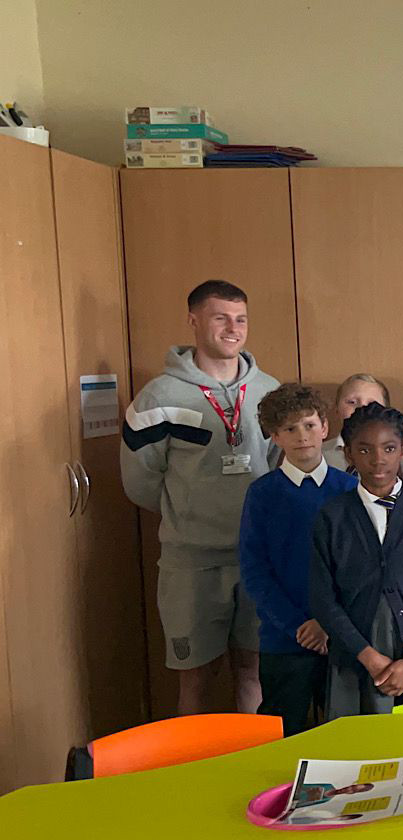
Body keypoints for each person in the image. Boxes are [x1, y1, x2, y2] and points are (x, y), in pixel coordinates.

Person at [121, 279, 279, 715]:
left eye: (241, 319)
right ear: (194, 322)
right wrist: (191, 511)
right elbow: (141, 481)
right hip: (190, 563)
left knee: (253, 669)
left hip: (256, 558)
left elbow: (281, 464)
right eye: (220, 318)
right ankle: (198, 772)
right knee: (196, 678)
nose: (233, 328)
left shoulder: (268, 390)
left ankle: (254, 763)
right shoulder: (159, 395)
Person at [309, 403, 403, 716]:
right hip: (356, 655)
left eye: (388, 448)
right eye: (364, 450)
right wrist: (368, 656)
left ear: (401, 451)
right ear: (348, 454)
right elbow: (322, 597)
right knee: (359, 752)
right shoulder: (333, 515)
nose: (378, 460)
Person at [239, 383, 357, 734]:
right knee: (282, 730)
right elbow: (255, 570)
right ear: (275, 436)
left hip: (342, 635)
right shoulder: (262, 494)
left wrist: (329, 623)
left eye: (308, 425)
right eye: (290, 428)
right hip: (284, 637)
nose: (302, 436)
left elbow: (358, 568)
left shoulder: (349, 490)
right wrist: (298, 627)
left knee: (343, 733)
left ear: (324, 427)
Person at [321, 373, 403, 475]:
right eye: (351, 402)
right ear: (337, 409)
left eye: (372, 403)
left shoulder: (402, 454)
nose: (361, 408)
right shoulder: (321, 453)